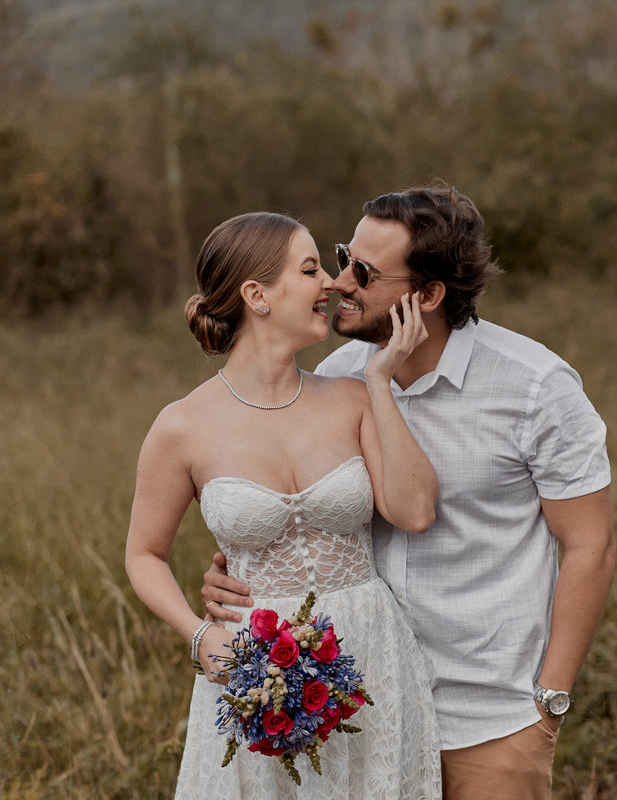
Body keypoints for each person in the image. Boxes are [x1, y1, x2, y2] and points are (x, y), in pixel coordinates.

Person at [203, 186, 617, 800]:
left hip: (489, 719)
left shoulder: (537, 388)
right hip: (362, 712)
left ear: (426, 296)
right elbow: (297, 513)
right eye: (343, 257)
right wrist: (236, 573)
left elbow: (591, 546)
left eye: (364, 272)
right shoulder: (336, 379)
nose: (341, 282)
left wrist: (547, 702)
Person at [125, 212, 442, 799]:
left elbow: (415, 510)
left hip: (368, 656)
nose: (332, 283)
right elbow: (144, 554)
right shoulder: (182, 427)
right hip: (253, 667)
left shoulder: (352, 397)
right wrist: (199, 636)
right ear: (256, 296)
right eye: (310, 268)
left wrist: (380, 382)